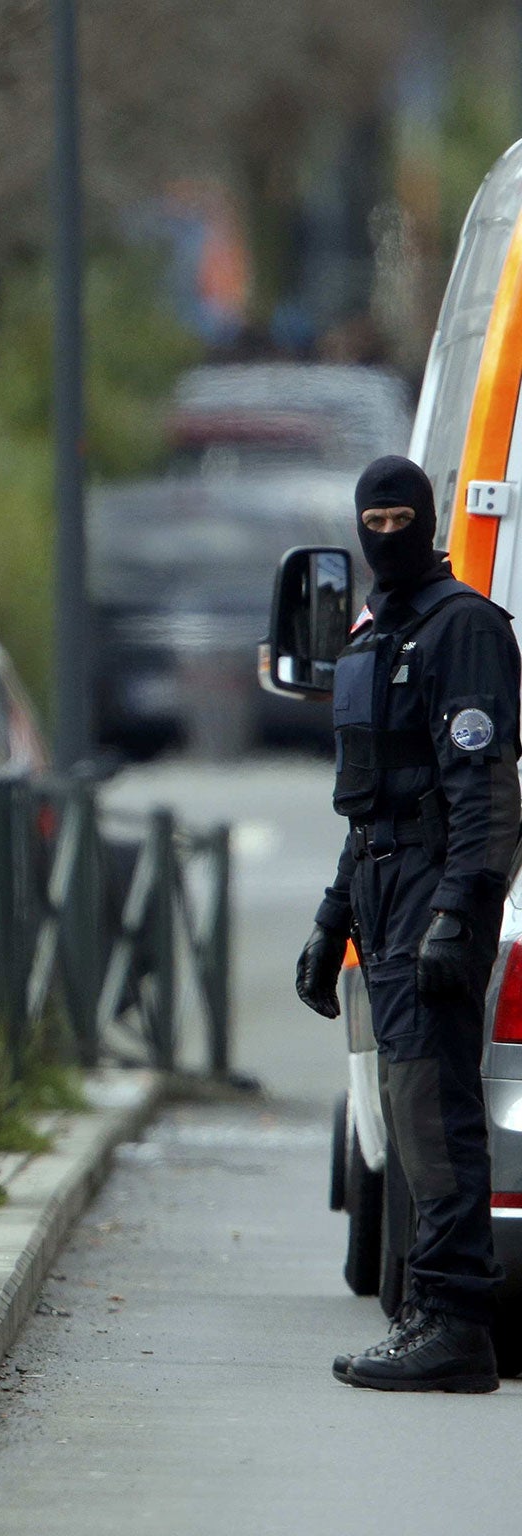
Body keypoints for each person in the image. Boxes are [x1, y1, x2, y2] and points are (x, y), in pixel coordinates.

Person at [296, 454, 522, 1393]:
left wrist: (458, 915)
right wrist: (330, 920)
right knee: (405, 1107)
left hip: (435, 891)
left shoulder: (464, 629)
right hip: (384, 892)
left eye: (401, 518)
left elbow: (485, 796)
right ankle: (431, 1310)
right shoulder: (369, 637)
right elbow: (368, 809)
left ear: (426, 522)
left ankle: (455, 1319)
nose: (384, 534)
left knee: (437, 1110)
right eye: (372, 519)